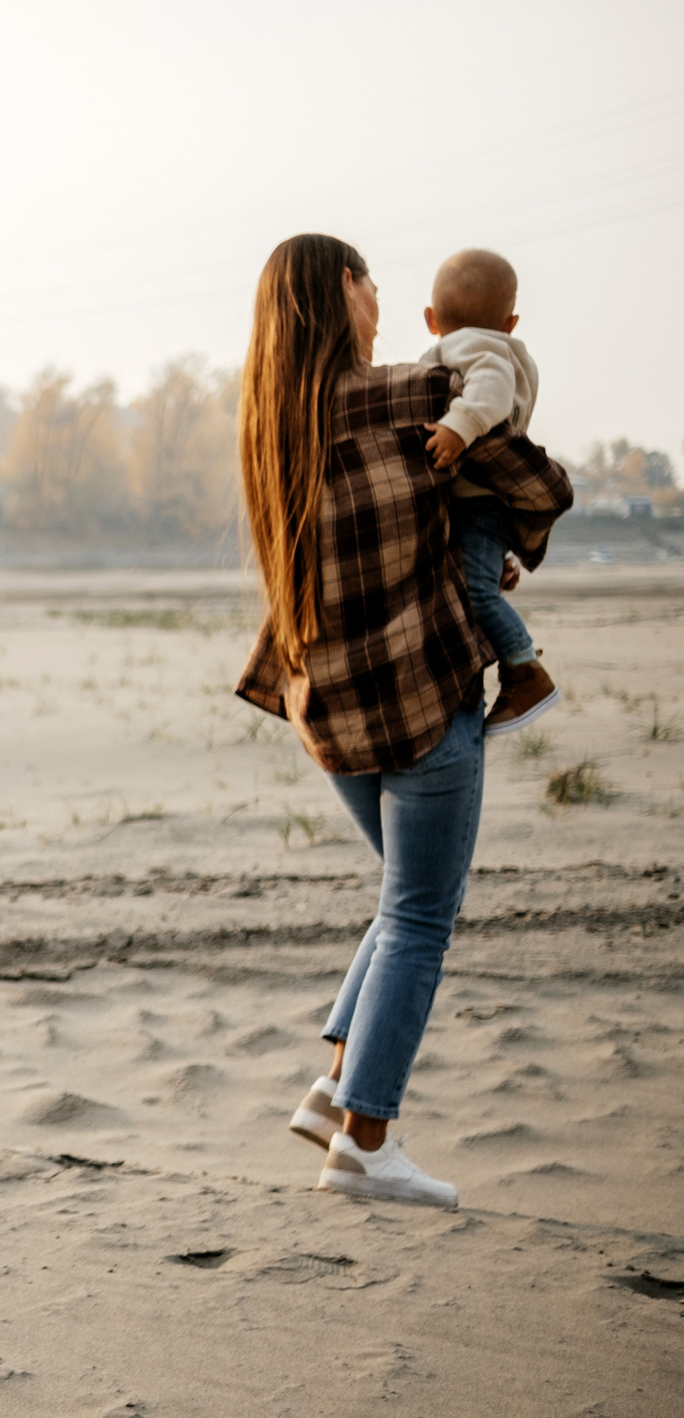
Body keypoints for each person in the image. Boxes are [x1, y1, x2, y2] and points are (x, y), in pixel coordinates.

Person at [238, 235, 571, 1209]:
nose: (382, 295)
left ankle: (334, 1087)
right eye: (370, 278)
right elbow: (539, 484)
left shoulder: (269, 424)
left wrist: (462, 549)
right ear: (344, 291)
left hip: (324, 709)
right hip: (417, 697)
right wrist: (500, 541)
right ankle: (365, 1144)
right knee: (422, 914)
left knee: (399, 899)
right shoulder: (406, 396)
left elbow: (369, 528)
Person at [419, 247, 558, 734]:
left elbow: (491, 389)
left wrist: (459, 426)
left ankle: (524, 670)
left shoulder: (469, 347)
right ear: (511, 320)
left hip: (476, 501)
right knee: (473, 580)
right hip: (489, 503)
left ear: (430, 319)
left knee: (476, 594)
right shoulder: (508, 350)